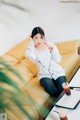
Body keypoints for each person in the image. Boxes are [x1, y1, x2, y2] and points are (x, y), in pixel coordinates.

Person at [25, 27, 66, 97]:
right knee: (50, 89)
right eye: (36, 38)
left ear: (44, 37)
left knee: (63, 89)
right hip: (44, 75)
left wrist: (52, 52)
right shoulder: (32, 50)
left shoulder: (50, 45)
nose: (39, 40)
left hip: (57, 72)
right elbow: (29, 56)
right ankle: (60, 103)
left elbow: (58, 60)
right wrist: (31, 43)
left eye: (41, 37)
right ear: (32, 39)